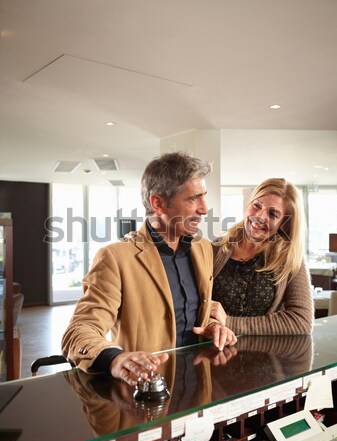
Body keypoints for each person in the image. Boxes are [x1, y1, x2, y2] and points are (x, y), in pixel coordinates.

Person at [62, 151, 237, 387]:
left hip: (198, 393)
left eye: (204, 197)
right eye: (193, 199)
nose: (204, 209)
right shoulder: (114, 258)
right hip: (144, 398)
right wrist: (116, 359)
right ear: (158, 203)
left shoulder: (204, 248)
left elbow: (196, 314)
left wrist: (215, 327)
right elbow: (79, 331)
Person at [211, 178, 314, 335]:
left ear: (284, 223)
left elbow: (301, 321)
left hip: (264, 356)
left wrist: (229, 323)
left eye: (272, 214)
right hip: (215, 352)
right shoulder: (216, 248)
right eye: (256, 206)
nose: (259, 216)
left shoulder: (290, 258)